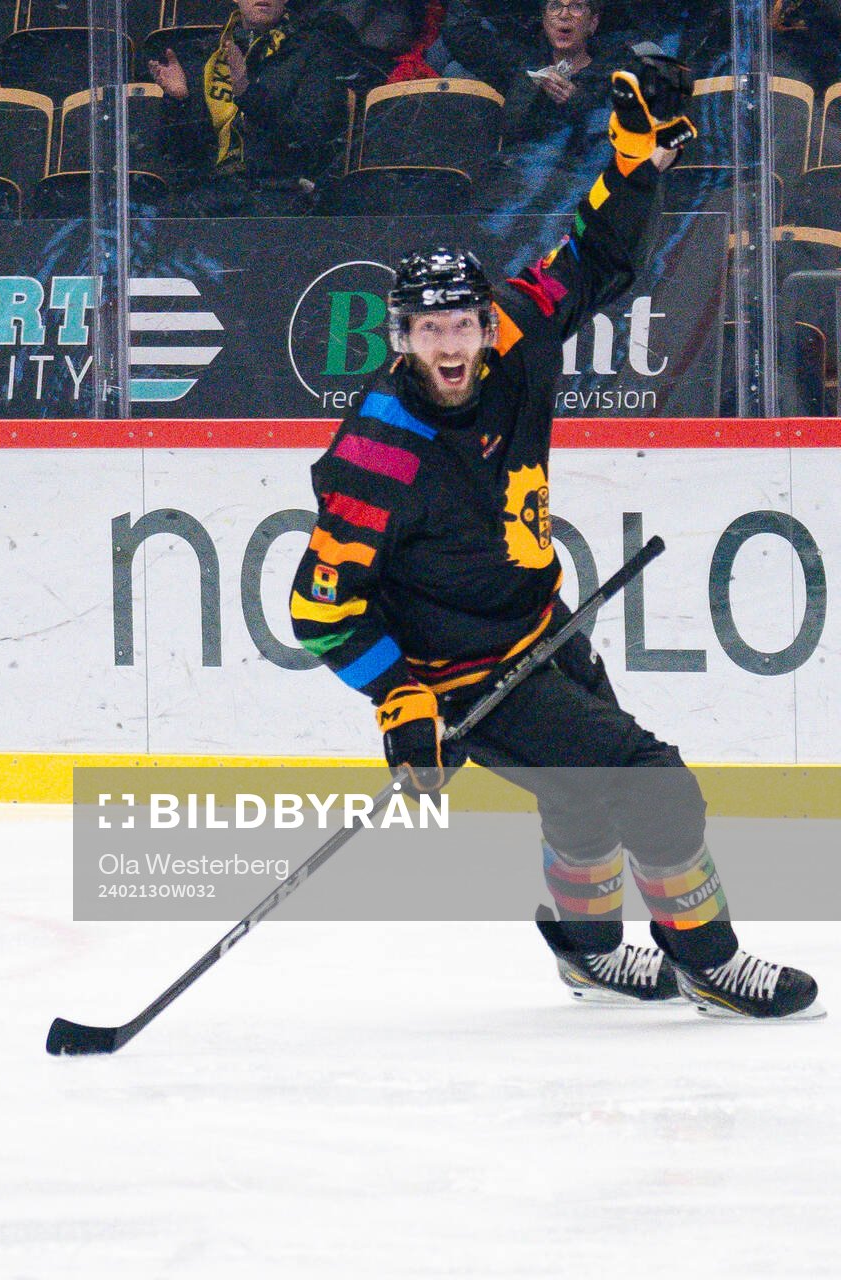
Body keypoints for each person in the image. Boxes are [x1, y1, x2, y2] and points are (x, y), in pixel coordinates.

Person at [288, 53, 823, 1020]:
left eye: (461, 324)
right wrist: (401, 701)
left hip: (543, 626)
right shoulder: (379, 454)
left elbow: (593, 260)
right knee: (654, 784)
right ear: (398, 337)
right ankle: (709, 957)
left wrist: (631, 161)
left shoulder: (514, 328)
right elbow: (319, 611)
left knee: (581, 800)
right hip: (465, 675)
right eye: (428, 330)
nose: (452, 345)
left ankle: (584, 950)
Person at [146, 0, 363, 216]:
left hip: (280, 191)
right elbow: (178, 157)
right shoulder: (204, 54)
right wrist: (179, 101)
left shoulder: (315, 50)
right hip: (209, 192)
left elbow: (314, 133)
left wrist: (247, 94)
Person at [473, 0, 614, 214]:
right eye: (555, 6)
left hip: (578, 191)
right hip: (516, 187)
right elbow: (463, 37)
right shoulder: (523, 66)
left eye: (576, 7)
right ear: (545, 20)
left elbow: (615, 140)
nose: (564, 15)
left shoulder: (611, 74)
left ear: (593, 23)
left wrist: (576, 100)